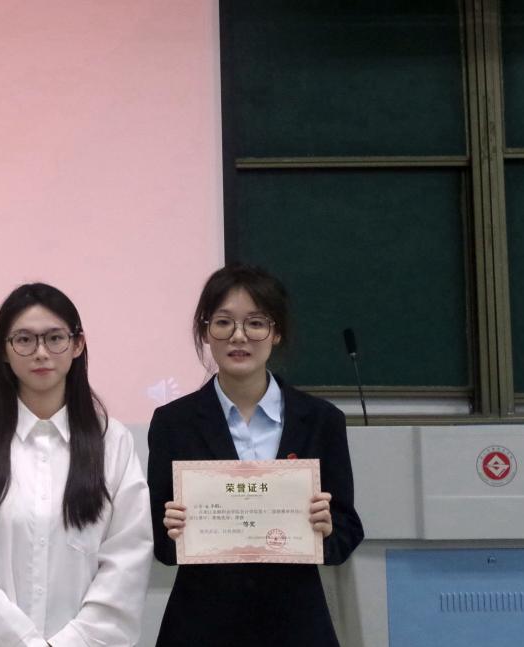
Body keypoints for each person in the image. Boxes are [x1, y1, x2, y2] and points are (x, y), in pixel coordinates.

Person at [147, 263, 365, 647]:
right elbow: (159, 541)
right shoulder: (173, 423)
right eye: (223, 323)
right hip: (201, 626)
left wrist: (327, 529)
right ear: (205, 331)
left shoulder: (321, 420)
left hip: (296, 626)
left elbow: (347, 529)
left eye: (256, 323)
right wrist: (171, 530)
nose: (239, 336)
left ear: (276, 333)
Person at [0, 283, 153, 647]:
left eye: (55, 339)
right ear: (4, 351)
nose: (41, 353)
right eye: (24, 340)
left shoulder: (112, 442)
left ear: (78, 345)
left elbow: (127, 558)